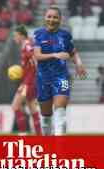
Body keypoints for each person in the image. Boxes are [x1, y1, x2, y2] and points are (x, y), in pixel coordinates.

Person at [33, 6, 87, 135]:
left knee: (60, 115)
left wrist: (79, 63)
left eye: (55, 17)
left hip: (61, 77)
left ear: (60, 19)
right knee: (46, 118)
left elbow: (73, 52)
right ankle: (47, 146)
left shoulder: (65, 35)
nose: (51, 20)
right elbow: (37, 55)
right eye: (49, 16)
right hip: (43, 79)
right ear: (45, 18)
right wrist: (55, 55)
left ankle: (59, 150)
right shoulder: (39, 34)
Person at [11, 25, 41, 135]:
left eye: (15, 36)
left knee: (15, 106)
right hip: (30, 81)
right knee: (33, 108)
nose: (14, 38)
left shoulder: (27, 45)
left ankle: (22, 134)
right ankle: (41, 136)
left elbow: (35, 58)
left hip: (29, 82)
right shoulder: (25, 45)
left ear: (21, 36)